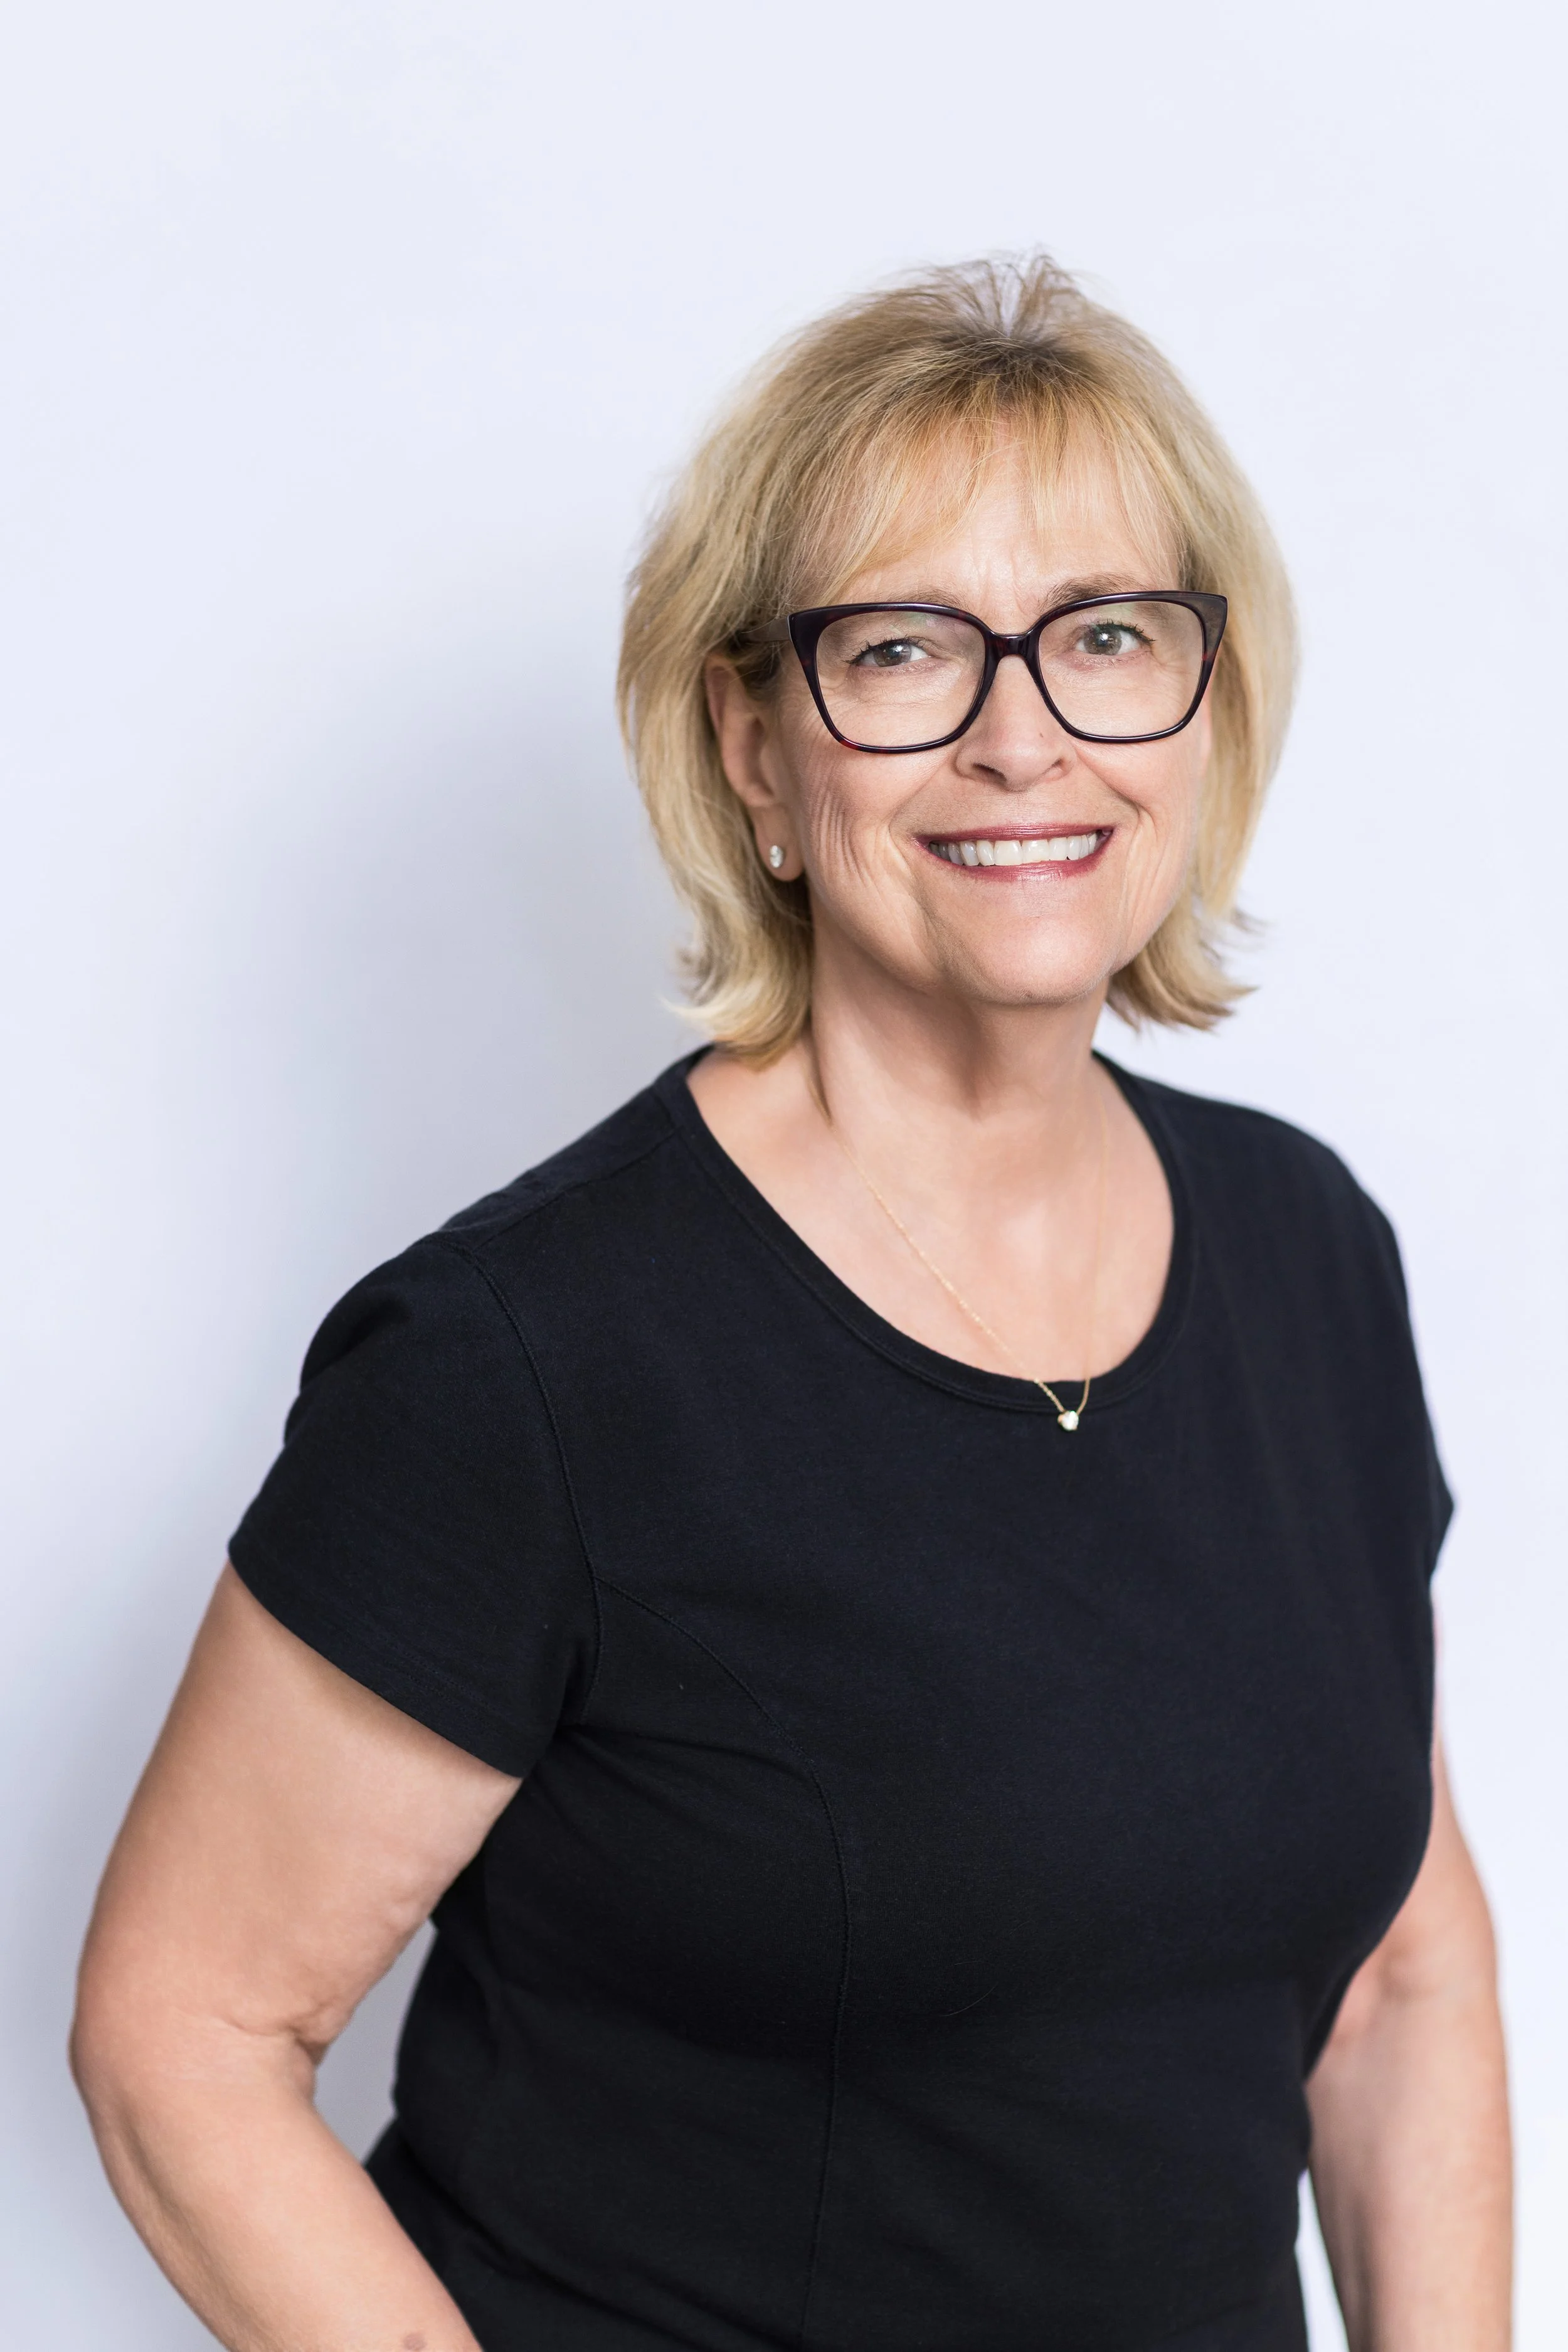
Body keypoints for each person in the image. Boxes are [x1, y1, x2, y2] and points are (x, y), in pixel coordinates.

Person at [72, 256, 1510, 2352]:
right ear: (753, 749)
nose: (1022, 738)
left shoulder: (1308, 1255)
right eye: (904, 649)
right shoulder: (522, 1362)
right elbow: (180, 2031)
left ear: (1207, 704)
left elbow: (1394, 1973)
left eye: (1107, 635)